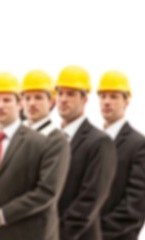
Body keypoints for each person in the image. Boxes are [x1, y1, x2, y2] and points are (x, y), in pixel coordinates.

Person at [0, 72, 65, 240]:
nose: (0, 106)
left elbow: (47, 191)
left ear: (19, 104)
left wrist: (3, 215)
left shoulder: (40, 143)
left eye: (7, 100)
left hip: (22, 232)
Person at [55, 65, 117, 240]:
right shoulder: (52, 141)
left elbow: (90, 199)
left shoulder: (100, 142)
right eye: (60, 93)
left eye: (71, 94)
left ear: (85, 99)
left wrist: (57, 235)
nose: (63, 99)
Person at [20, 69, 71, 239]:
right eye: (27, 98)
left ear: (51, 102)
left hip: (38, 230)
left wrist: (2, 214)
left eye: (39, 97)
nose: (32, 103)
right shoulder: (12, 137)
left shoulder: (57, 141)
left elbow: (46, 193)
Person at [97, 70, 145, 240]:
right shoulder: (94, 143)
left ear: (126, 101)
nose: (107, 102)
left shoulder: (139, 144)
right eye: (103, 97)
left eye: (114, 96)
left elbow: (136, 204)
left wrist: (98, 233)